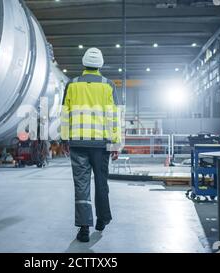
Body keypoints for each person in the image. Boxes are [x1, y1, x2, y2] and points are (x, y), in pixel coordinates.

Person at [61, 47, 122, 243]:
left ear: (83, 63)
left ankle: (84, 228)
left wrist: (64, 139)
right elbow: (115, 117)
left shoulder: (72, 84)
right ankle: (103, 219)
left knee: (81, 185)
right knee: (101, 182)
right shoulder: (108, 85)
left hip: (78, 143)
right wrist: (116, 143)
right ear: (100, 64)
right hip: (101, 145)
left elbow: (65, 115)